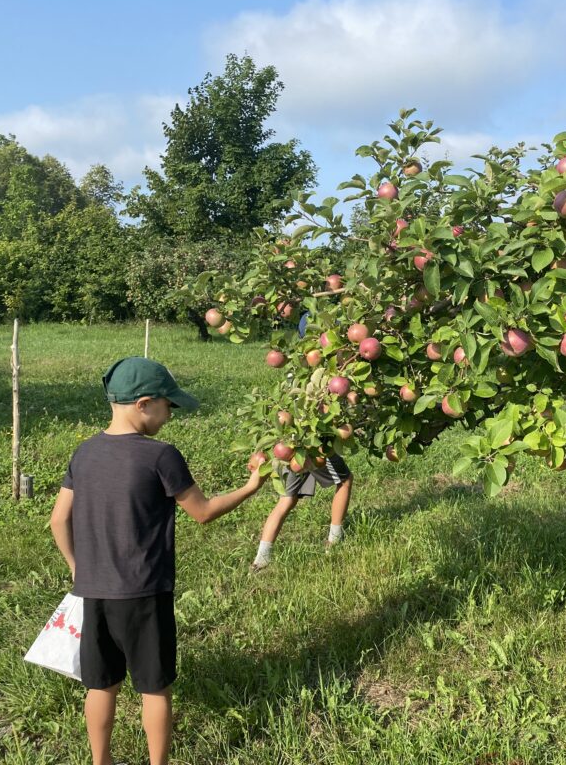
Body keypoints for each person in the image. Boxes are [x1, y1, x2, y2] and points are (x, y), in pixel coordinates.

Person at [49, 356, 266, 765]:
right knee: (154, 688)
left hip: (93, 592)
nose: (170, 415)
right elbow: (202, 511)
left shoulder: (84, 453)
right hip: (144, 592)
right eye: (169, 405)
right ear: (145, 403)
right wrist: (251, 487)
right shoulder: (160, 456)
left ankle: (101, 761)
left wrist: (78, 568)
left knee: (100, 684)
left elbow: (58, 520)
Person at [251, 308, 355, 571]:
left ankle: (261, 558)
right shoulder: (323, 371)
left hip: (290, 445)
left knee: (288, 499)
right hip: (312, 446)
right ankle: (334, 540)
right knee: (343, 480)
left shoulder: (294, 371)